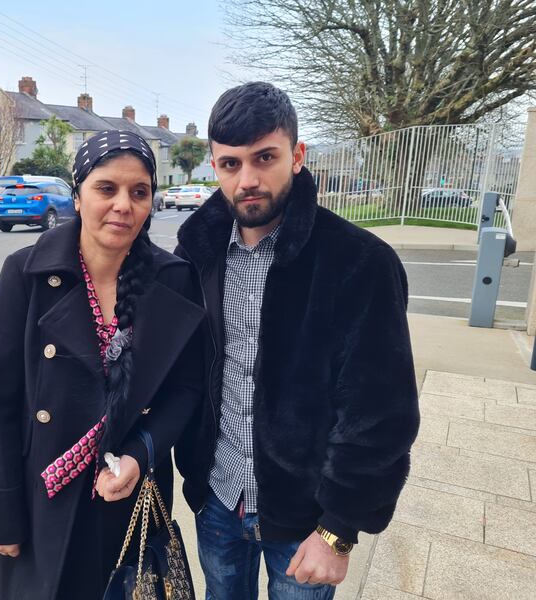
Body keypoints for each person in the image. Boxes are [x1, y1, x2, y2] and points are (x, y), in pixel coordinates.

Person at [174, 82, 420, 599]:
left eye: (265, 157)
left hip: (306, 518)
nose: (248, 179)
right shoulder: (195, 254)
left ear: (298, 155)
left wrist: (339, 529)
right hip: (218, 500)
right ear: (214, 166)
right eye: (230, 164)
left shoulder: (359, 263)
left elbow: (381, 413)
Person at [0, 130, 204, 600]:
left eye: (139, 192)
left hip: (125, 498)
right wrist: (1, 515)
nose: (124, 204)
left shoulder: (173, 280)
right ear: (77, 194)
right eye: (107, 188)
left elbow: (186, 390)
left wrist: (140, 456)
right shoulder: (26, 275)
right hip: (42, 500)